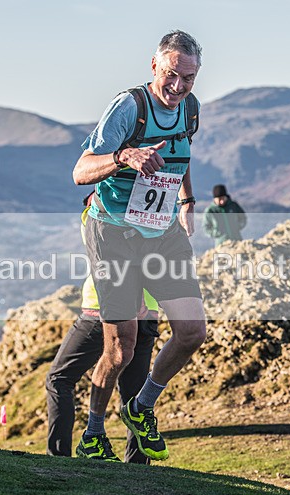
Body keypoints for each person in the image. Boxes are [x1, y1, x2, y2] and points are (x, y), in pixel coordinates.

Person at [71, 30, 206, 461]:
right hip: (112, 231)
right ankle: (93, 431)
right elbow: (79, 171)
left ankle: (141, 405)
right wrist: (124, 156)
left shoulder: (190, 108)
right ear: (154, 67)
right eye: (171, 75)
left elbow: (181, 155)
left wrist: (187, 201)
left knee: (191, 331)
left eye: (188, 77)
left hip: (162, 230)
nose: (178, 86)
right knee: (121, 347)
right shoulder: (129, 107)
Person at [45, 198, 160, 463]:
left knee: (59, 379)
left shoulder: (104, 217)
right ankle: (137, 466)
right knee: (134, 393)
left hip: (103, 312)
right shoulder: (155, 222)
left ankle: (58, 457)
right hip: (148, 313)